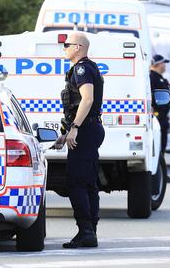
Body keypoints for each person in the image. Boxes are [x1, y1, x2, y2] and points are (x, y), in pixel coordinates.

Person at [55, 32, 105, 249]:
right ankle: (90, 231)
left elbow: (87, 99)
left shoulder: (82, 69)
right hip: (90, 128)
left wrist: (74, 129)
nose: (64, 48)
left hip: (85, 130)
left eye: (66, 45)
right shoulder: (90, 67)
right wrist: (67, 132)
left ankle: (86, 231)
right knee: (88, 182)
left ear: (78, 47)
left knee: (76, 182)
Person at [149, 54, 170, 184]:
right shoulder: (152, 77)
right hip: (157, 118)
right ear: (158, 64)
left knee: (162, 146)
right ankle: (157, 175)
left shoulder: (160, 78)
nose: (165, 65)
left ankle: (162, 174)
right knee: (158, 147)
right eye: (163, 63)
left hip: (163, 118)